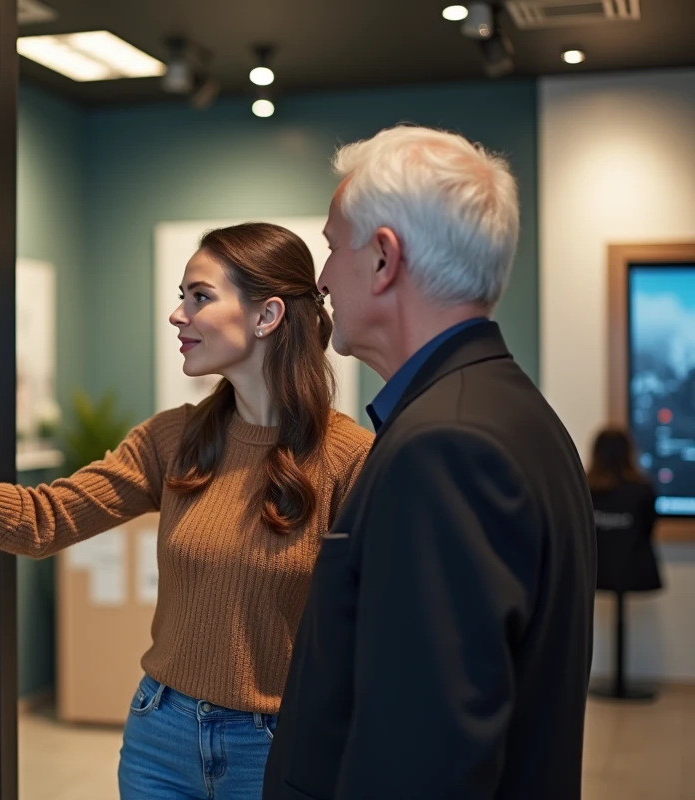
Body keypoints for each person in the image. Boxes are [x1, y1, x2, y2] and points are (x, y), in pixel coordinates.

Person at [0, 222, 373, 800]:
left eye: (200, 297)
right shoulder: (173, 439)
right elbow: (41, 520)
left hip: (277, 748)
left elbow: (376, 636)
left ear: (267, 316)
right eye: (181, 296)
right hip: (161, 738)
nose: (177, 315)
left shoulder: (348, 460)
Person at [263, 126, 596, 800]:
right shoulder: (506, 410)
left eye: (333, 247)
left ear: (384, 259)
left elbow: (422, 757)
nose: (322, 280)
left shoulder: (446, 447)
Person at [587, 426, 662, 699]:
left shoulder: (585, 487)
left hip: (598, 571)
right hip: (634, 569)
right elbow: (649, 527)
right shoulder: (642, 488)